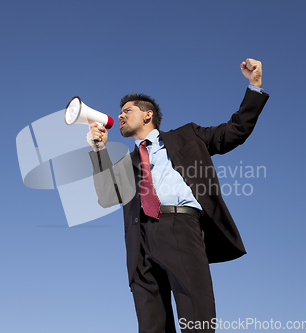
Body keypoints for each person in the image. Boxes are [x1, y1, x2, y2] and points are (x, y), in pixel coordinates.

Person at [86, 58, 269, 333]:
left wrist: (254, 87)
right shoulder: (127, 163)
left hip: (180, 228)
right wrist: (99, 151)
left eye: (127, 110)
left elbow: (234, 131)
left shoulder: (187, 136)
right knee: (152, 327)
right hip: (140, 243)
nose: (120, 116)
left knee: (197, 319)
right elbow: (106, 197)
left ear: (147, 115)